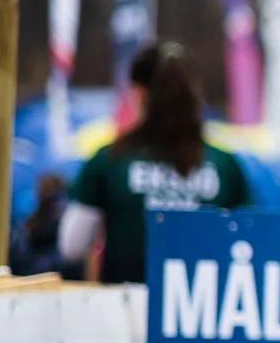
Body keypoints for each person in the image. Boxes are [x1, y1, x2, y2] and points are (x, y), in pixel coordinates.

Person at [60, 42, 254, 283]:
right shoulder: (225, 166)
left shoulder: (110, 161)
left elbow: (72, 246)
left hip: (125, 308)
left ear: (138, 93)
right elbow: (251, 241)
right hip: (201, 309)